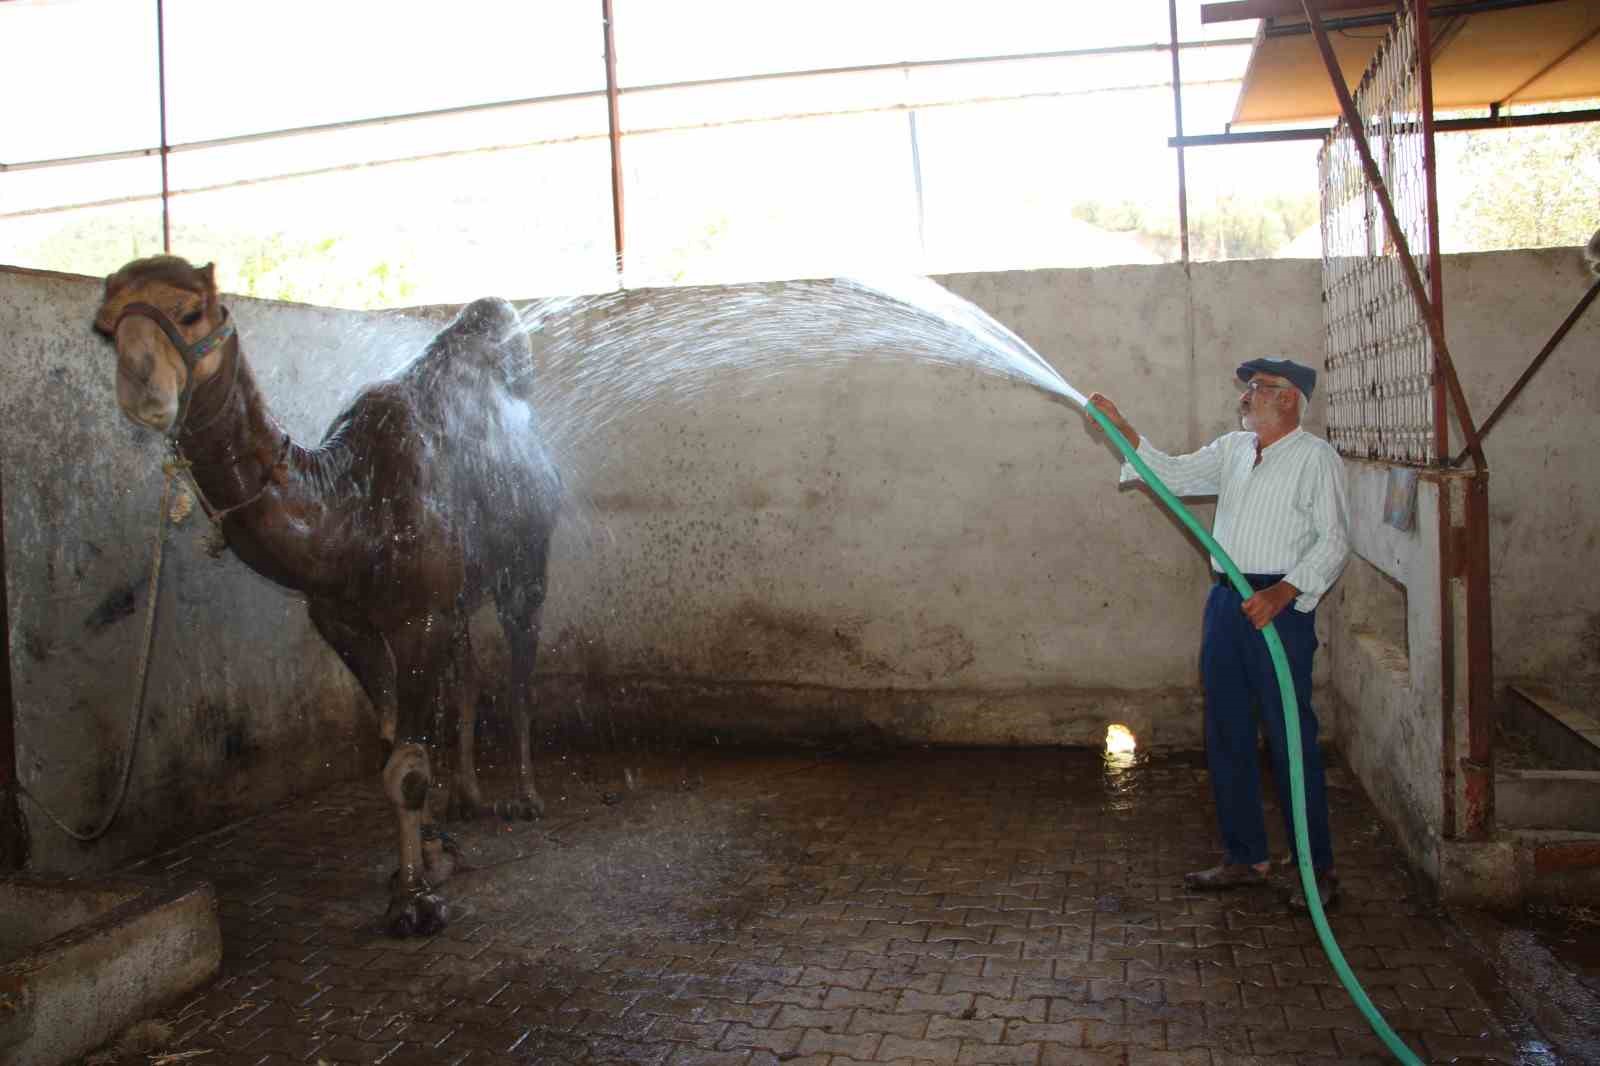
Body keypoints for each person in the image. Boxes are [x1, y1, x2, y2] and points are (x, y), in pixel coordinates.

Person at [1086, 356, 1349, 909]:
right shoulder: (1233, 449)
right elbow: (1174, 476)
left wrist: (1284, 592)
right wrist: (1125, 429)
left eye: (1258, 388)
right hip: (1228, 601)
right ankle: (1245, 855)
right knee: (1226, 730)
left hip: (1282, 608)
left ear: (1289, 399)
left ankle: (1316, 868)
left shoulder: (1316, 458)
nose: (1245, 397)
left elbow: (1333, 540)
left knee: (1289, 739)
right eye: (1248, 388)